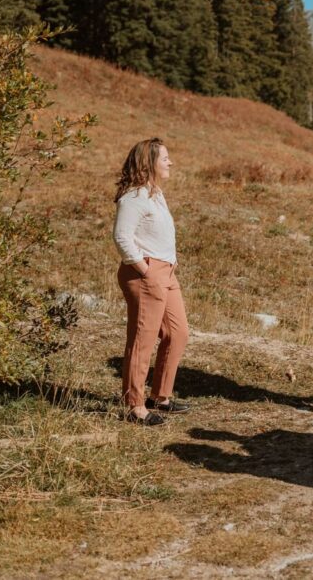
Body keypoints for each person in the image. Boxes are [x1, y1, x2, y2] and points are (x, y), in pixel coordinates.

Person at [113, 138, 190, 426]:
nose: (170, 162)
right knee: (142, 340)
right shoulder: (134, 197)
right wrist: (145, 270)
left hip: (165, 273)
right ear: (150, 163)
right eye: (165, 158)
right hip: (146, 274)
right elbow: (122, 237)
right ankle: (134, 406)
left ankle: (160, 396)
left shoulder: (155, 194)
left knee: (178, 332)